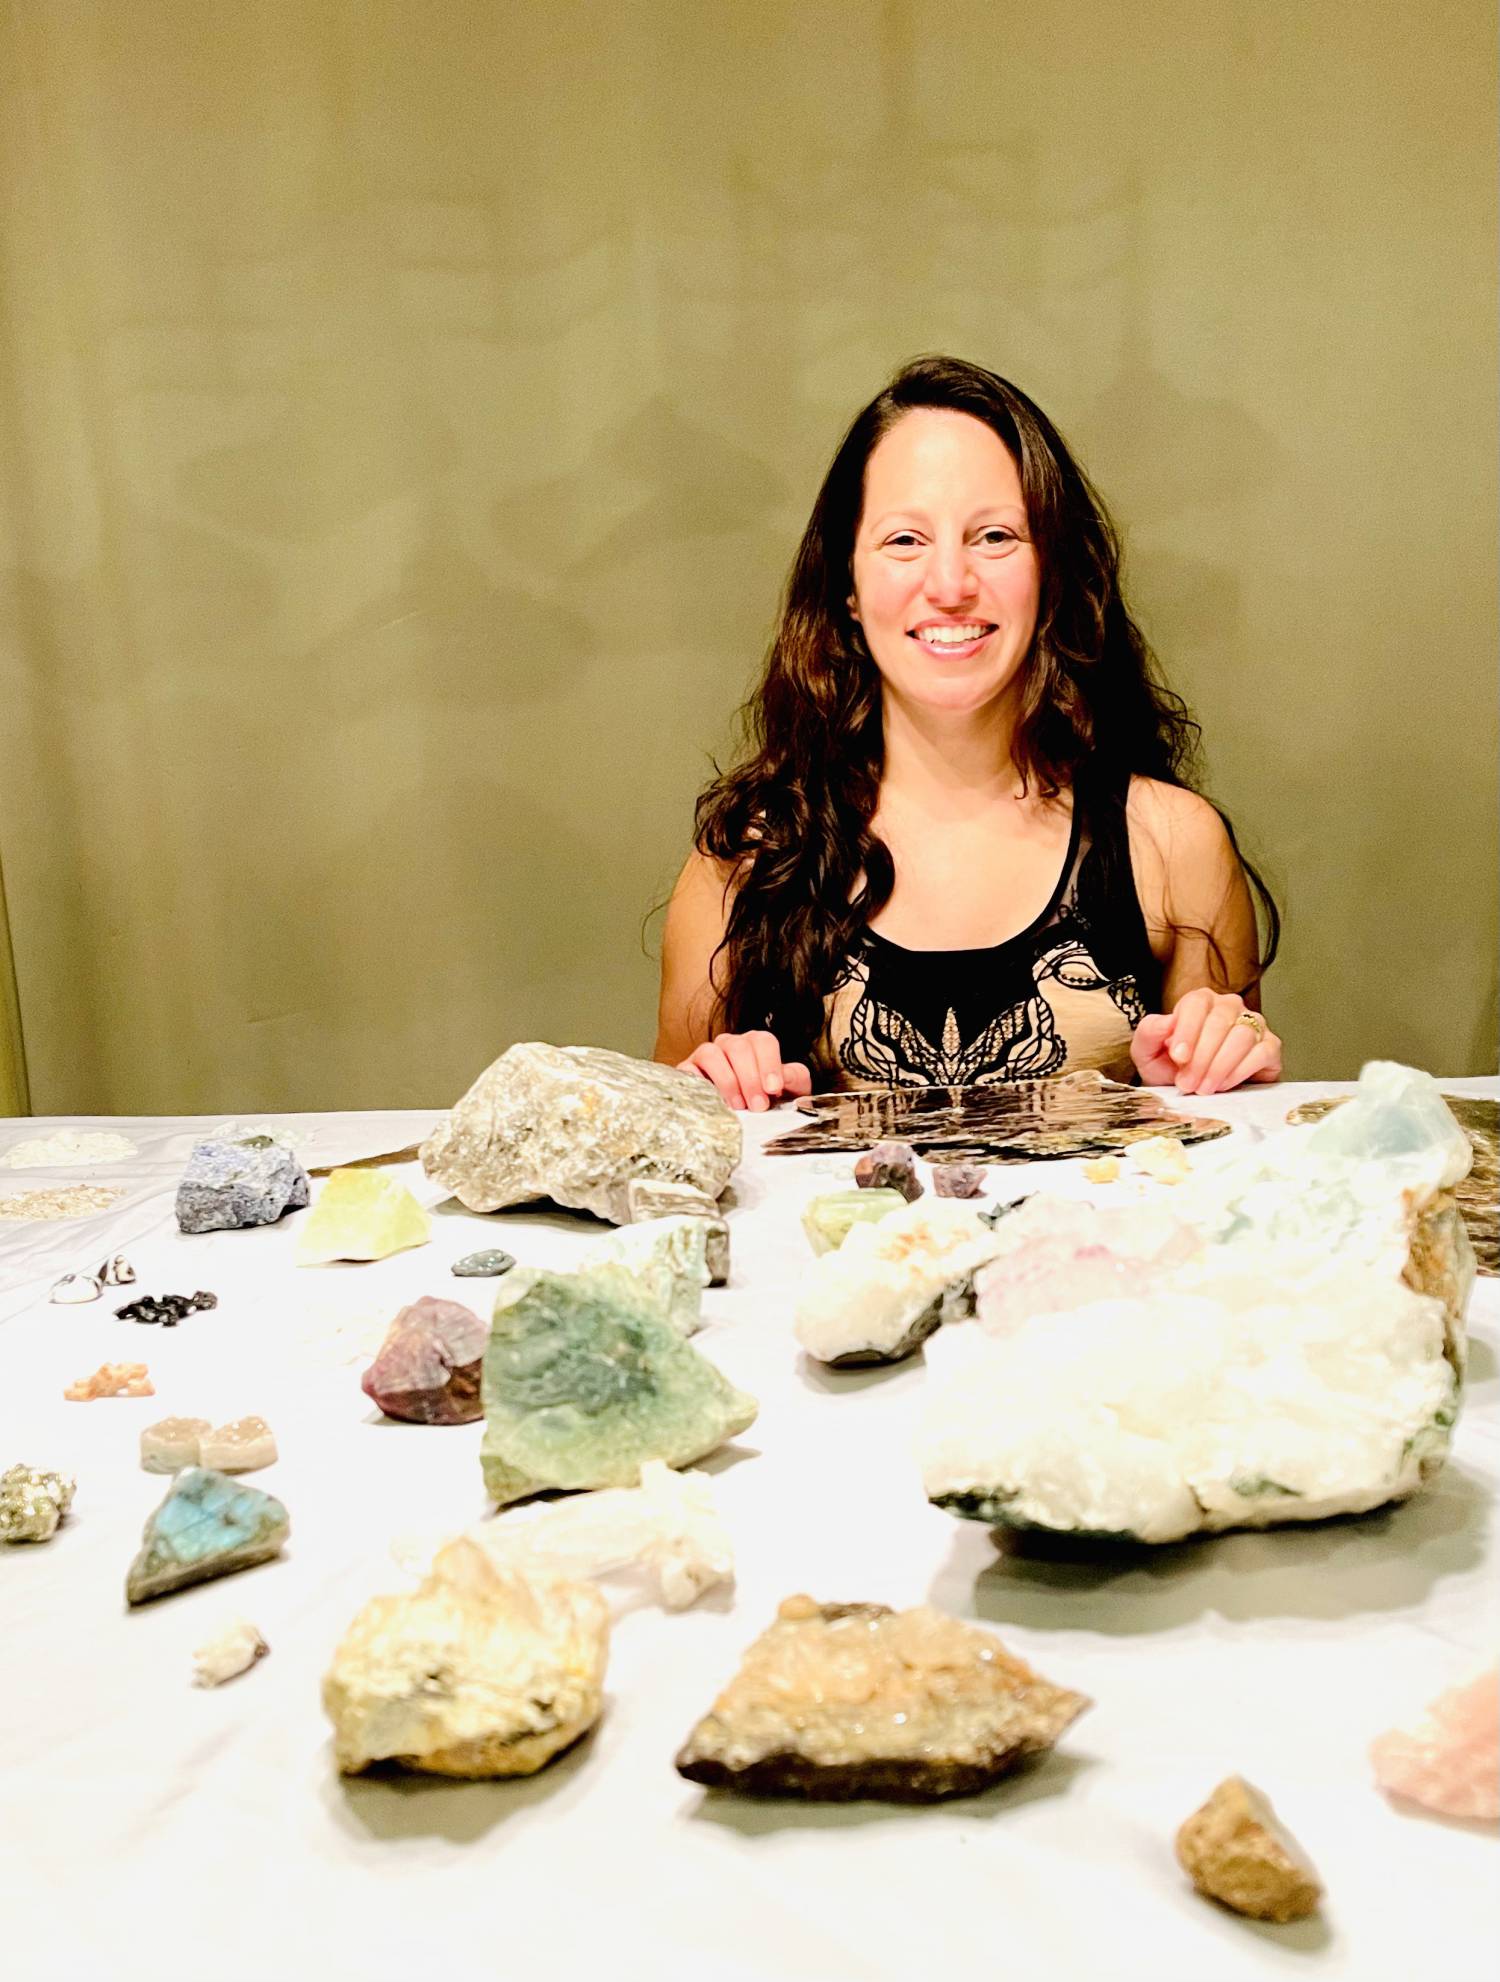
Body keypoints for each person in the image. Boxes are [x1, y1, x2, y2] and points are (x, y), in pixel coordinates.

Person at [655, 355, 1283, 1113]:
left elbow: (1236, 1162)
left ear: (1051, 569)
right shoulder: (747, 862)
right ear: (846, 588)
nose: (950, 586)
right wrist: (710, 1085)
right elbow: (665, 1157)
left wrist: (1220, 1061)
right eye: (904, 541)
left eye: (994, 536)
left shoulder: (1172, 845)